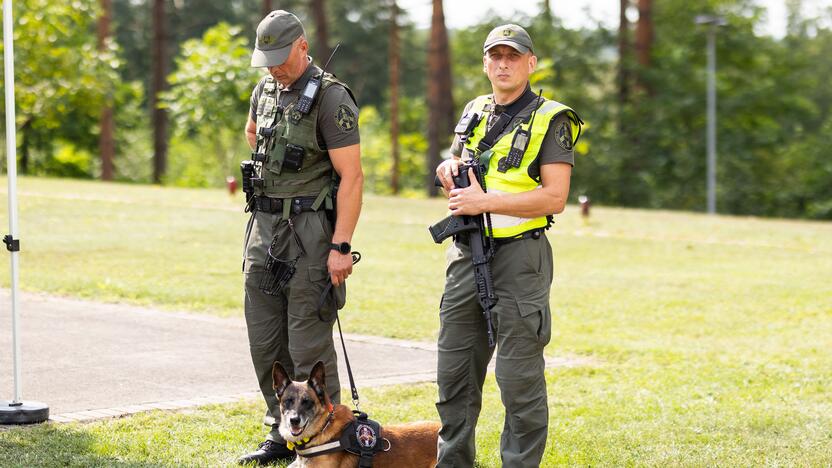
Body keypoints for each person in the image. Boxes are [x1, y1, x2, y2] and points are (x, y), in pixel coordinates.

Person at [434, 23, 582, 467]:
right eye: (495, 56)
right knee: (454, 375)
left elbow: (555, 197)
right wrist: (448, 166)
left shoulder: (551, 118)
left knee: (519, 380)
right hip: (465, 252)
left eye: (513, 56)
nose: (503, 63)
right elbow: (461, 161)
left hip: (520, 258)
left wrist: (486, 201)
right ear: (485, 63)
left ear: (530, 63)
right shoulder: (475, 109)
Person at [238, 10, 363, 466]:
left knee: (307, 342)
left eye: (280, 58)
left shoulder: (332, 98)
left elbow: (352, 177)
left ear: (302, 47)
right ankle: (282, 430)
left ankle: (326, 441)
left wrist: (341, 244)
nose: (273, 67)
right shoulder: (265, 89)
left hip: (311, 230)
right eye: (265, 58)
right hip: (265, 229)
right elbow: (254, 133)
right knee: (264, 338)